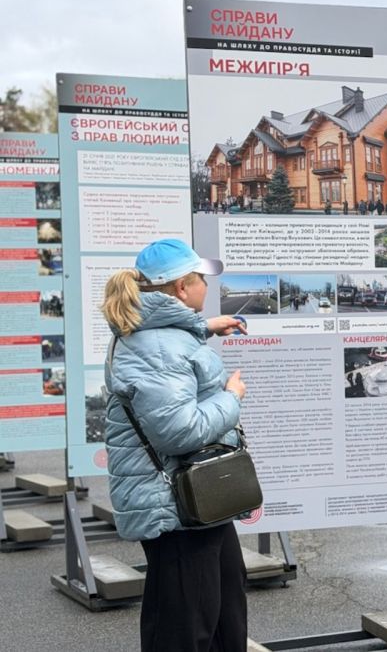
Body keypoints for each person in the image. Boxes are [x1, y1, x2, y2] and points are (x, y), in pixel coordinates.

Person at [101, 238, 249, 652]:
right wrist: (231, 396)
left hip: (198, 501)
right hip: (175, 509)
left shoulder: (156, 335)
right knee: (184, 627)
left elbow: (169, 348)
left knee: (223, 615)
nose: (207, 285)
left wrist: (205, 326)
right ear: (182, 287)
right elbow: (180, 431)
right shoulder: (155, 349)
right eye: (201, 279)